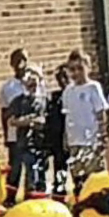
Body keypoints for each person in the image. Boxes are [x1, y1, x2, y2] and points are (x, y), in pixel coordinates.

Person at [62, 50, 109, 195]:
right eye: (72, 69)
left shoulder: (93, 87)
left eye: (80, 68)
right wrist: (66, 137)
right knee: (77, 175)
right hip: (75, 140)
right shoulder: (68, 91)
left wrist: (102, 135)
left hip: (91, 140)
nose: (76, 73)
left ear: (88, 67)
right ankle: (79, 198)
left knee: (93, 174)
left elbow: (100, 112)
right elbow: (68, 115)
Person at [8, 67, 50, 197]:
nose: (32, 83)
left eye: (35, 79)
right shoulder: (19, 101)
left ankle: (41, 195)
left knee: (42, 171)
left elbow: (48, 119)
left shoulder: (45, 100)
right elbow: (12, 121)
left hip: (42, 143)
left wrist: (41, 123)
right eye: (29, 80)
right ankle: (30, 196)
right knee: (30, 171)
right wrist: (28, 121)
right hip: (25, 143)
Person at [0, 47, 28, 206]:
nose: (21, 63)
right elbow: (4, 112)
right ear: (12, 64)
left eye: (24, 59)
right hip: (15, 133)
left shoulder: (35, 82)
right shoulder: (8, 87)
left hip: (32, 132)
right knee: (15, 167)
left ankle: (32, 197)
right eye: (17, 60)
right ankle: (10, 199)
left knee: (32, 166)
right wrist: (6, 135)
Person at [45, 64, 70, 200]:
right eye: (59, 78)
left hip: (74, 135)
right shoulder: (55, 97)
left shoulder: (75, 95)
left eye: (65, 77)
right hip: (58, 137)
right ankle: (60, 191)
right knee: (59, 164)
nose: (62, 81)